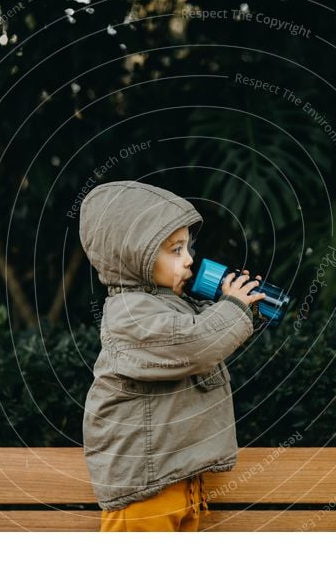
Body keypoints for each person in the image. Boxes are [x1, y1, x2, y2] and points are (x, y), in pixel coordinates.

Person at [78, 180, 266, 532]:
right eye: (175, 250)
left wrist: (233, 305)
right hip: (146, 486)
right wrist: (232, 310)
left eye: (188, 248)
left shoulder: (168, 309)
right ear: (136, 255)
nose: (190, 259)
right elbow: (195, 345)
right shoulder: (130, 314)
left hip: (177, 479)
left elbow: (199, 335)